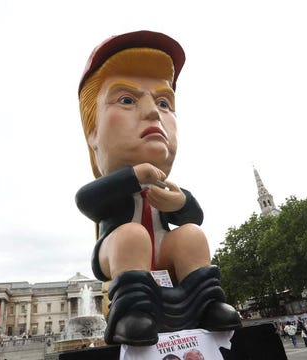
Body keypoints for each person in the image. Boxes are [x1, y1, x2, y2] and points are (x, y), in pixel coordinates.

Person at [75, 30, 241, 346]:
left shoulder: (166, 183)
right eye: (126, 99)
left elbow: (196, 216)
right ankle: (132, 313)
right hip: (117, 252)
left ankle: (208, 304)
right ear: (93, 134)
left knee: (191, 234)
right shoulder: (114, 186)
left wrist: (179, 201)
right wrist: (133, 177)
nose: (153, 111)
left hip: (163, 251)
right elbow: (86, 200)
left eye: (164, 102)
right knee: (131, 235)